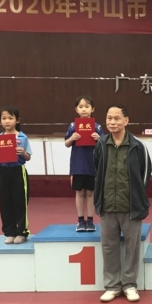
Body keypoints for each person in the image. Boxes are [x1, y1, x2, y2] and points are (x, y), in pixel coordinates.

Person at [94, 104, 152, 303]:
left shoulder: (137, 146)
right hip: (107, 205)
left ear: (126, 121)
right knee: (109, 247)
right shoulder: (101, 144)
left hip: (131, 207)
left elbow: (145, 173)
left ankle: (129, 285)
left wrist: (138, 197)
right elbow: (97, 170)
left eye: (116, 118)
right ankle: (112, 286)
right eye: (109, 118)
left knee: (132, 247)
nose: (112, 122)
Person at [0, 106, 32, 245]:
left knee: (19, 202)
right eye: (4, 118)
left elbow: (28, 157)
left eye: (10, 118)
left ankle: (22, 232)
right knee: (5, 202)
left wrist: (22, 153)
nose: (7, 121)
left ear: (17, 120)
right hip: (3, 172)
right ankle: (10, 232)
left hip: (18, 171)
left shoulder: (22, 137)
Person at [64, 95, 104, 232]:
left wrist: (99, 139)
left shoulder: (97, 127)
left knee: (91, 193)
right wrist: (72, 138)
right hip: (78, 165)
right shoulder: (73, 126)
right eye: (81, 107)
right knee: (80, 193)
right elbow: (66, 143)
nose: (84, 109)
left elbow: (104, 146)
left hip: (92, 165)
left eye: (87, 106)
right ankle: (81, 220)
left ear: (93, 109)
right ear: (76, 109)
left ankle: (91, 220)